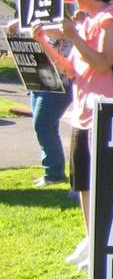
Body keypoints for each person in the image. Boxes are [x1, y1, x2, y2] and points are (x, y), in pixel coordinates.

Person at [32, 0, 113, 270]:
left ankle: (107, 243)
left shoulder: (110, 20)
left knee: (105, 182)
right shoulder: (89, 22)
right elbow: (71, 69)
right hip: (83, 114)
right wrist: (44, 43)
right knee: (83, 182)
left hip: (108, 114)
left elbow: (103, 64)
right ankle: (91, 240)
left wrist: (74, 36)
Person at [5, 18, 71, 186]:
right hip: (38, 81)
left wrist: (31, 28)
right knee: (44, 125)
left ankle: (54, 172)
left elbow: (60, 31)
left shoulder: (64, 23)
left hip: (59, 84)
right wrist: (20, 27)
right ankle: (52, 170)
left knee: (43, 124)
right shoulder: (36, 23)